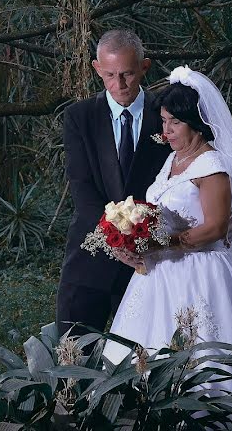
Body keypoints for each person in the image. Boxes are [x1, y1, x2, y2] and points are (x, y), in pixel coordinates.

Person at [102, 66, 232, 428]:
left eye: (173, 123)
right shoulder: (173, 160)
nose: (165, 130)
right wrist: (132, 239)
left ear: (196, 123)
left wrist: (162, 242)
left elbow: (216, 227)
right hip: (159, 275)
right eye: (163, 121)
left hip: (201, 272)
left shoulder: (212, 165)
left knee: (207, 358)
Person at [56, 30, 171, 339]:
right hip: (88, 260)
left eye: (128, 74)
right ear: (96, 69)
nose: (119, 84)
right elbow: (82, 186)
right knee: (73, 362)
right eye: (109, 75)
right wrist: (116, 240)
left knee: (142, 366)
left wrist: (140, 243)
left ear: (145, 67)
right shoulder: (79, 117)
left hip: (148, 264)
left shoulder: (166, 115)